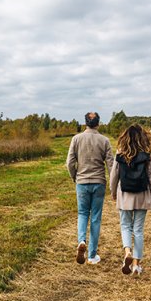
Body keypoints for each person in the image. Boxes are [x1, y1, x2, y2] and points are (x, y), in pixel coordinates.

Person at [110, 124, 151, 276]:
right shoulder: (147, 154)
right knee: (138, 230)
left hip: (125, 195)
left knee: (125, 226)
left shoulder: (120, 153)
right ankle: (136, 266)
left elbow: (114, 175)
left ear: (125, 137)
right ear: (142, 137)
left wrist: (113, 192)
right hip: (142, 195)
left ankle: (127, 252)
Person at [66, 112, 113, 265]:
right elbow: (111, 165)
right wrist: (113, 184)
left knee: (82, 213)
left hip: (82, 182)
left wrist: (75, 176)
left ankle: (81, 241)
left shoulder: (76, 139)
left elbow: (69, 163)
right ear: (98, 123)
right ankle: (92, 255)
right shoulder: (105, 140)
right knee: (95, 218)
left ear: (85, 123)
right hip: (99, 182)